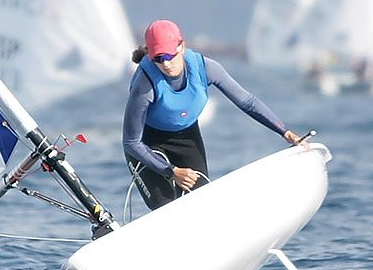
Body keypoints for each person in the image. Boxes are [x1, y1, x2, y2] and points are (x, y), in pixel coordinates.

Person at [123, 19, 305, 210]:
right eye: (159, 58)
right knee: (164, 205)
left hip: (186, 138)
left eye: (170, 55)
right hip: (147, 144)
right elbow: (131, 142)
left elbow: (247, 102)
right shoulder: (144, 85)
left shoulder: (205, 68)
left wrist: (285, 132)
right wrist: (171, 172)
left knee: (201, 202)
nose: (166, 64)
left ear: (182, 47)